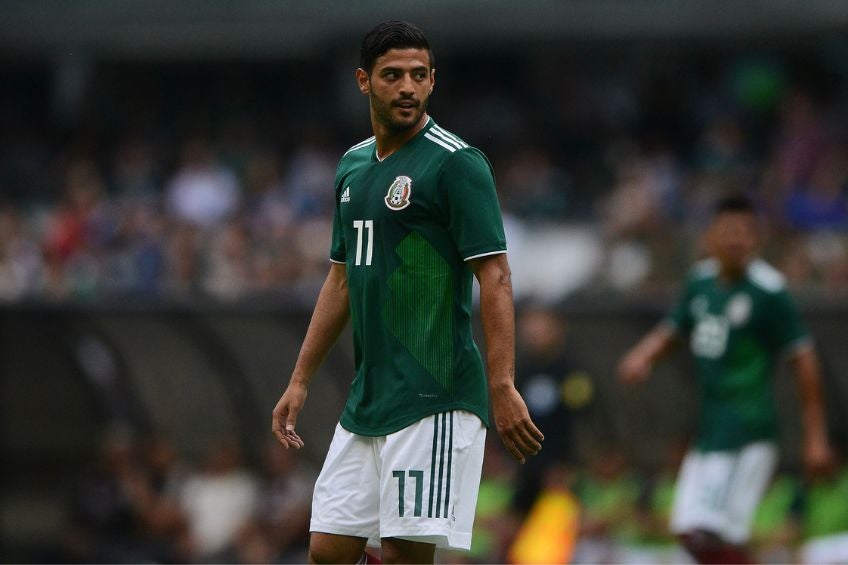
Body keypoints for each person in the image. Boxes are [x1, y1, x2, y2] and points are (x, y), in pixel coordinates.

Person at [271, 20, 543, 564]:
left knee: (402, 555)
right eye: (392, 75)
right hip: (369, 399)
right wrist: (299, 380)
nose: (407, 87)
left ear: (433, 81)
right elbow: (341, 277)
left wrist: (503, 382)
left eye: (419, 75)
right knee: (326, 551)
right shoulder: (351, 167)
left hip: (435, 398)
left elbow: (495, 274)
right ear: (363, 82)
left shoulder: (455, 163)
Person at [617, 193, 833, 564]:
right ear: (710, 236)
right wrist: (643, 355)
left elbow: (803, 357)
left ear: (757, 239)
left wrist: (815, 434)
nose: (737, 239)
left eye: (746, 232)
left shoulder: (769, 291)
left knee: (708, 534)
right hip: (711, 431)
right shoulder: (699, 282)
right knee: (692, 534)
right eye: (728, 230)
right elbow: (674, 328)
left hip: (748, 432)